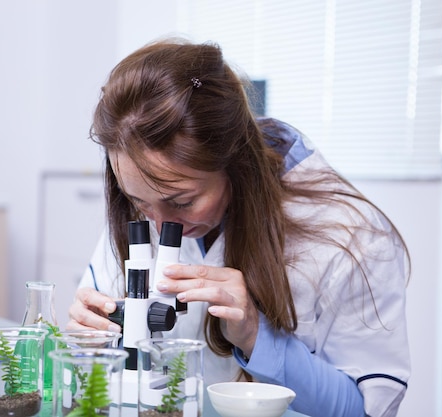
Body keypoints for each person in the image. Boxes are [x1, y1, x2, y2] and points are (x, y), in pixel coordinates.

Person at [67, 37, 411, 417]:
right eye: (139, 201)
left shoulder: (349, 236)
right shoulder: (146, 213)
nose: (160, 224)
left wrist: (256, 336)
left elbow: (365, 410)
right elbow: (102, 366)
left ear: (235, 163)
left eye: (182, 202)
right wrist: (91, 341)